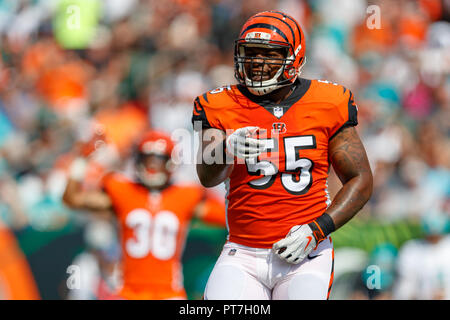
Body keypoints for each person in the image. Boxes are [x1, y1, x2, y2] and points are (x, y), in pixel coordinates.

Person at [192, 11, 373, 300]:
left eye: (270, 55)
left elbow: (361, 180)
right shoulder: (219, 104)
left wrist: (317, 230)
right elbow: (207, 175)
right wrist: (225, 149)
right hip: (243, 254)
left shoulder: (328, 101)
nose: (257, 63)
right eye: (250, 53)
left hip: (307, 253)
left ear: (295, 58)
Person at [63, 129, 226, 300]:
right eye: (148, 159)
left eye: (158, 160)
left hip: (169, 293)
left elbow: (226, 218)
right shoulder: (124, 191)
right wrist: (80, 162)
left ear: (171, 162)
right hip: (128, 292)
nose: (152, 166)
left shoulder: (186, 195)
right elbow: (72, 199)